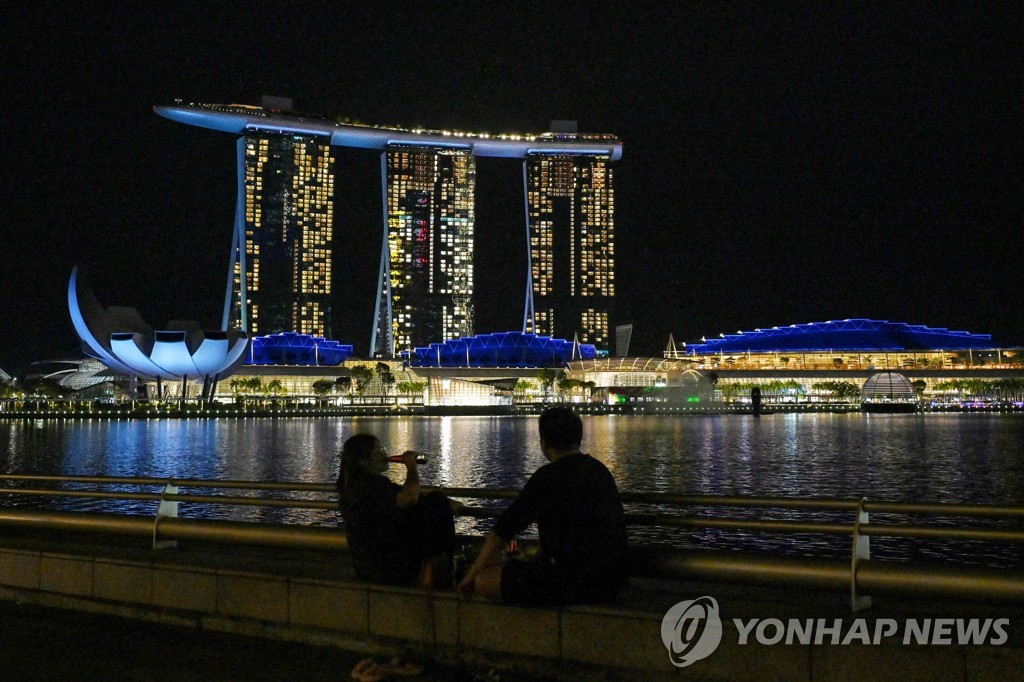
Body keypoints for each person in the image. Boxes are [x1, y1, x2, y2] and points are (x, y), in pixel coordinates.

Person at [458, 407, 628, 606]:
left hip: (571, 584)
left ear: (544, 443)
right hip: (611, 583)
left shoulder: (547, 477)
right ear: (578, 438)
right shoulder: (600, 470)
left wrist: (470, 576)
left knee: (485, 580)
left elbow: (502, 531)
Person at [336, 433, 456, 587]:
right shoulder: (373, 485)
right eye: (378, 450)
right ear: (363, 461)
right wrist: (411, 467)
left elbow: (405, 497)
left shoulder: (350, 488)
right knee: (437, 501)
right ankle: (438, 569)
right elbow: (410, 498)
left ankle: (433, 568)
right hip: (392, 568)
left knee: (433, 502)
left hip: (366, 567)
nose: (384, 453)